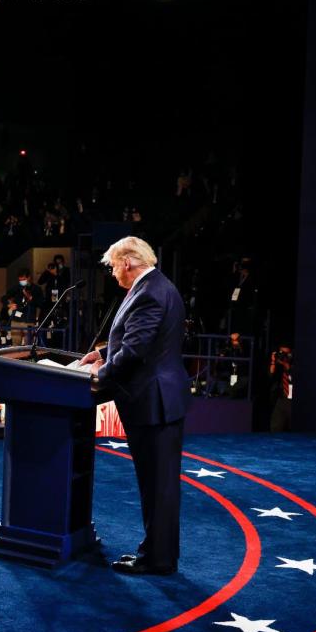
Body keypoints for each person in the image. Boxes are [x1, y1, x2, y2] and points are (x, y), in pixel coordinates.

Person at [79, 236, 190, 576]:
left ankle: (157, 559)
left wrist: (97, 377)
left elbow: (135, 351)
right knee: (158, 485)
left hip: (153, 402)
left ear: (127, 262)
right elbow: (136, 341)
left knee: (158, 487)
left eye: (113, 266)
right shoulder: (156, 286)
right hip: (155, 400)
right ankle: (156, 553)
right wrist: (101, 355)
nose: (113, 274)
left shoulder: (150, 292)